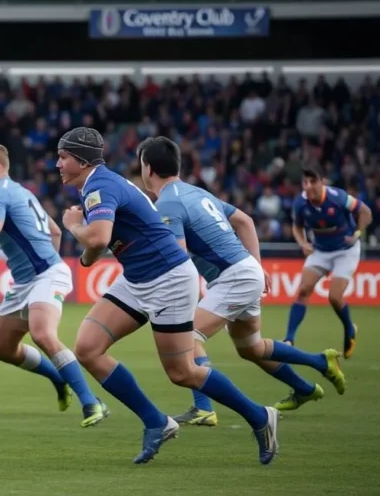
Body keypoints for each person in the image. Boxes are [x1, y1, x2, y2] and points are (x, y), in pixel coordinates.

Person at [56, 127, 278, 465]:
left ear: (82, 160)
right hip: (137, 278)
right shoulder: (99, 184)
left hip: (168, 279)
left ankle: (260, 417)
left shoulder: (99, 186)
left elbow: (98, 239)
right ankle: (156, 422)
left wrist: (73, 226)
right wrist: (85, 245)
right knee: (87, 349)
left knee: (182, 372)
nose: (57, 163)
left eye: (63, 156)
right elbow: (95, 249)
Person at [137, 137, 347, 425]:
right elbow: (245, 221)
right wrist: (257, 267)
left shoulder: (167, 204)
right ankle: (314, 373)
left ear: (147, 168)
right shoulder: (198, 193)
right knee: (252, 348)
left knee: (187, 337)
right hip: (243, 271)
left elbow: (179, 257)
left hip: (232, 277)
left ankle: (203, 408)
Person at [0, 144, 107, 427]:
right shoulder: (21, 192)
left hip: (46, 275)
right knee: (2, 348)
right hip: (30, 279)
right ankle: (57, 378)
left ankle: (91, 402)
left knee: (43, 334)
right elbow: (53, 230)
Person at [286, 163, 371, 358]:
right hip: (321, 251)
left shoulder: (338, 197)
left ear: (322, 182)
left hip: (345, 251)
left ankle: (349, 328)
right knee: (303, 290)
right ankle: (289, 339)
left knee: (334, 297)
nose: (308, 186)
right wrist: (302, 243)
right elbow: (297, 227)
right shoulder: (300, 203)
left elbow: (366, 212)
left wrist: (357, 233)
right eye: (304, 182)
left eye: (312, 181)